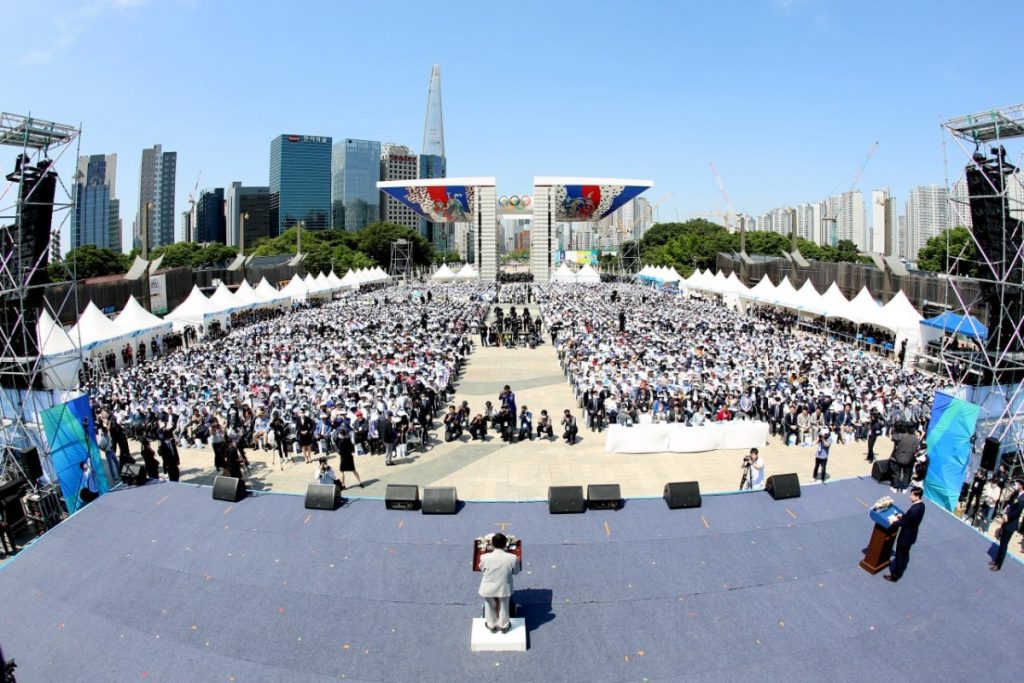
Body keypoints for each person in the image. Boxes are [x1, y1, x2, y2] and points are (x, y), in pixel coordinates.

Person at [477, 533, 520, 634]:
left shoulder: (484, 557)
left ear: (492, 544)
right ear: (505, 544)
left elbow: (482, 568)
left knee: (489, 604)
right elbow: (516, 572)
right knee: (504, 605)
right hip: (504, 587)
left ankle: (491, 625)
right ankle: (504, 625)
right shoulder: (513, 557)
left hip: (488, 587)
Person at [884, 486, 925, 583]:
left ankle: (895, 575)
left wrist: (892, 524)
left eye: (912, 495)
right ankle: (900, 567)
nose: (910, 496)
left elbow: (903, 522)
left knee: (900, 554)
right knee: (905, 553)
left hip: (905, 537)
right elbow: (910, 519)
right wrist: (903, 516)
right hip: (912, 535)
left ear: (917, 496)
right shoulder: (922, 506)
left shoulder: (913, 510)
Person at [990, 479, 1024, 571]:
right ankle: (996, 560)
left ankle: (998, 565)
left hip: (1011, 524)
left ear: (1021, 485)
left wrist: (1007, 517)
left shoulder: (1023, 498)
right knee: (1001, 542)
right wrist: (1006, 513)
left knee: (1004, 544)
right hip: (1007, 520)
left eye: (1018, 484)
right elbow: (1010, 504)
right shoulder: (1017, 494)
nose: (1016, 485)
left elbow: (1017, 512)